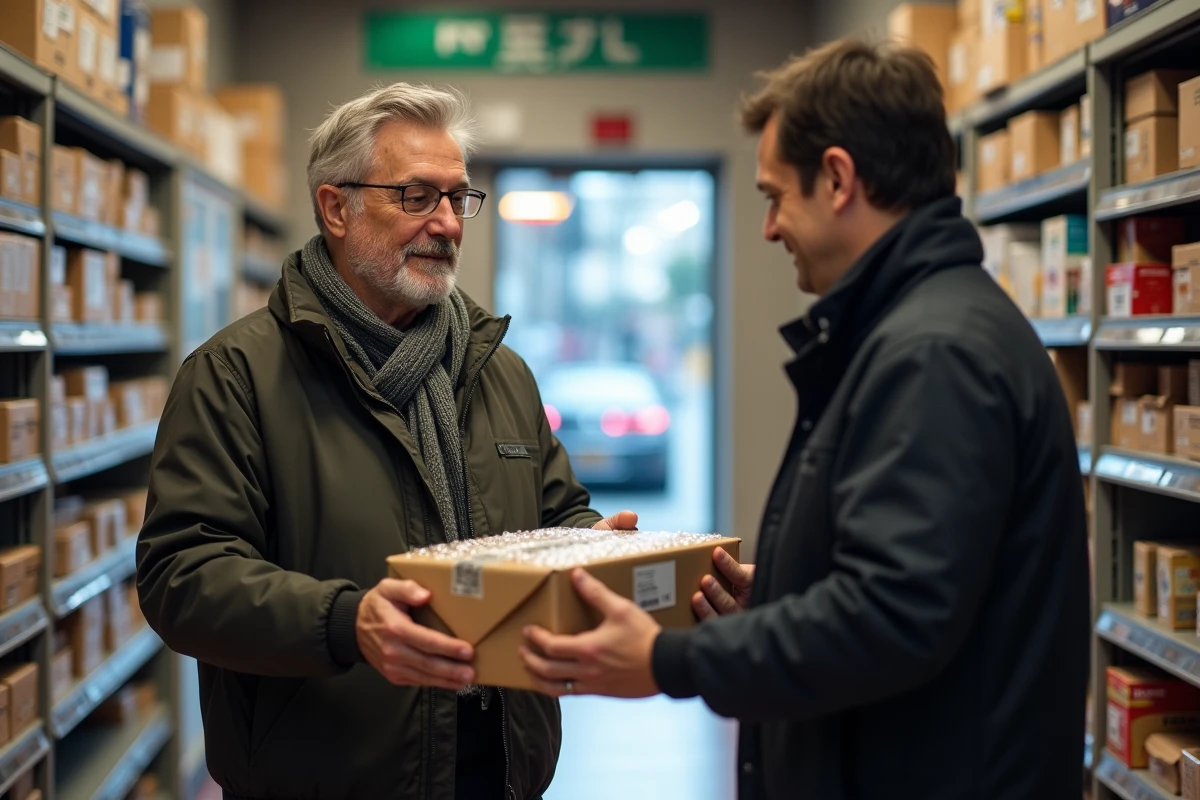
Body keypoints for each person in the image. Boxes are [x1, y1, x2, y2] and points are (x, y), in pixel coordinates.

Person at [518, 38, 1090, 800]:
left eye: (775, 196)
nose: (769, 227)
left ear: (839, 179)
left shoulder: (933, 352)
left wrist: (665, 660)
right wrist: (791, 591)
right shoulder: (914, 331)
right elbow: (921, 576)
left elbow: (893, 616)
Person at [136, 82, 636, 800]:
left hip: (498, 772)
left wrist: (599, 547)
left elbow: (555, 516)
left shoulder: (500, 372)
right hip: (326, 777)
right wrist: (346, 623)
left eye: (458, 198)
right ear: (335, 208)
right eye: (416, 196)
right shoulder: (236, 375)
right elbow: (182, 576)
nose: (447, 223)